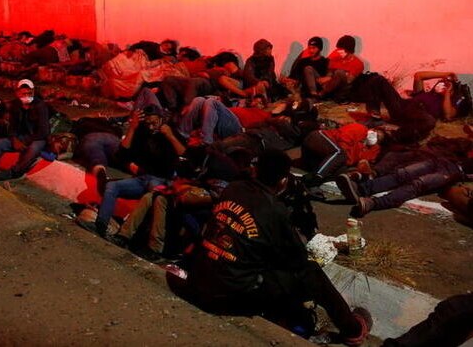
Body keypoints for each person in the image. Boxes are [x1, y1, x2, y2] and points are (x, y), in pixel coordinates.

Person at [171, 150, 372, 345]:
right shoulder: (275, 211)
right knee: (311, 272)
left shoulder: (233, 188)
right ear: (283, 181)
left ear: (255, 170)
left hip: (202, 278)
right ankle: (352, 329)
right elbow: (298, 261)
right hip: (230, 295)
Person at [80, 105, 186, 238]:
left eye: (154, 123)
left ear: (160, 119)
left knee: (153, 194)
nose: (151, 127)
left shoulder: (169, 131)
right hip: (142, 178)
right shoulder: (142, 132)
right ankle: (101, 225)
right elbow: (122, 155)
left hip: (161, 180)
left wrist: (170, 136)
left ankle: (133, 236)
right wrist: (132, 128)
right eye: (148, 123)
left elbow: (185, 154)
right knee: (112, 186)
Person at [335, 156, 473, 217]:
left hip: (454, 174)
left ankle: (373, 203)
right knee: (403, 173)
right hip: (446, 161)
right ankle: (362, 188)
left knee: (418, 184)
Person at [0, 79, 49, 181]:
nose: (27, 95)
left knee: (34, 148)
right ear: (18, 92)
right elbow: (12, 126)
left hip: (36, 138)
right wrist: (14, 139)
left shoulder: (40, 106)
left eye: (29, 92)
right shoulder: (15, 105)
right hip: (20, 136)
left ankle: (14, 172)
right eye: (24, 93)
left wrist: (25, 141)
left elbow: (43, 132)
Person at [318, 35, 364, 101]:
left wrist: (330, 78)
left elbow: (349, 81)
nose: (338, 51)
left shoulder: (358, 63)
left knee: (339, 72)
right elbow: (329, 72)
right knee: (310, 69)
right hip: (331, 86)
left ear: (348, 50)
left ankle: (322, 94)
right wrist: (327, 78)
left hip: (344, 90)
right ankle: (316, 94)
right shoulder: (336, 57)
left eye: (341, 50)